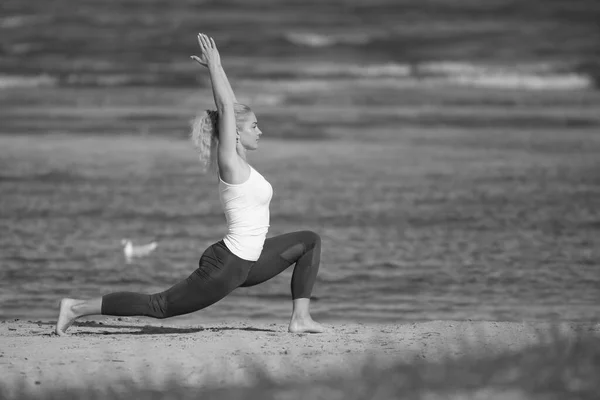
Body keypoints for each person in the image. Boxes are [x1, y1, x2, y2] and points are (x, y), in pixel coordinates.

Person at [55, 33, 326, 336]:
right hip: (228, 264)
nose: (260, 131)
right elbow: (226, 108)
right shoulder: (231, 164)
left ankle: (300, 319)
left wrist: (220, 72)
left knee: (309, 241)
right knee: (159, 306)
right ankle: (75, 308)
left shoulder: (240, 159)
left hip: (251, 261)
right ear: (235, 133)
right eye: (254, 126)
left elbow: (230, 106)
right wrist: (215, 66)